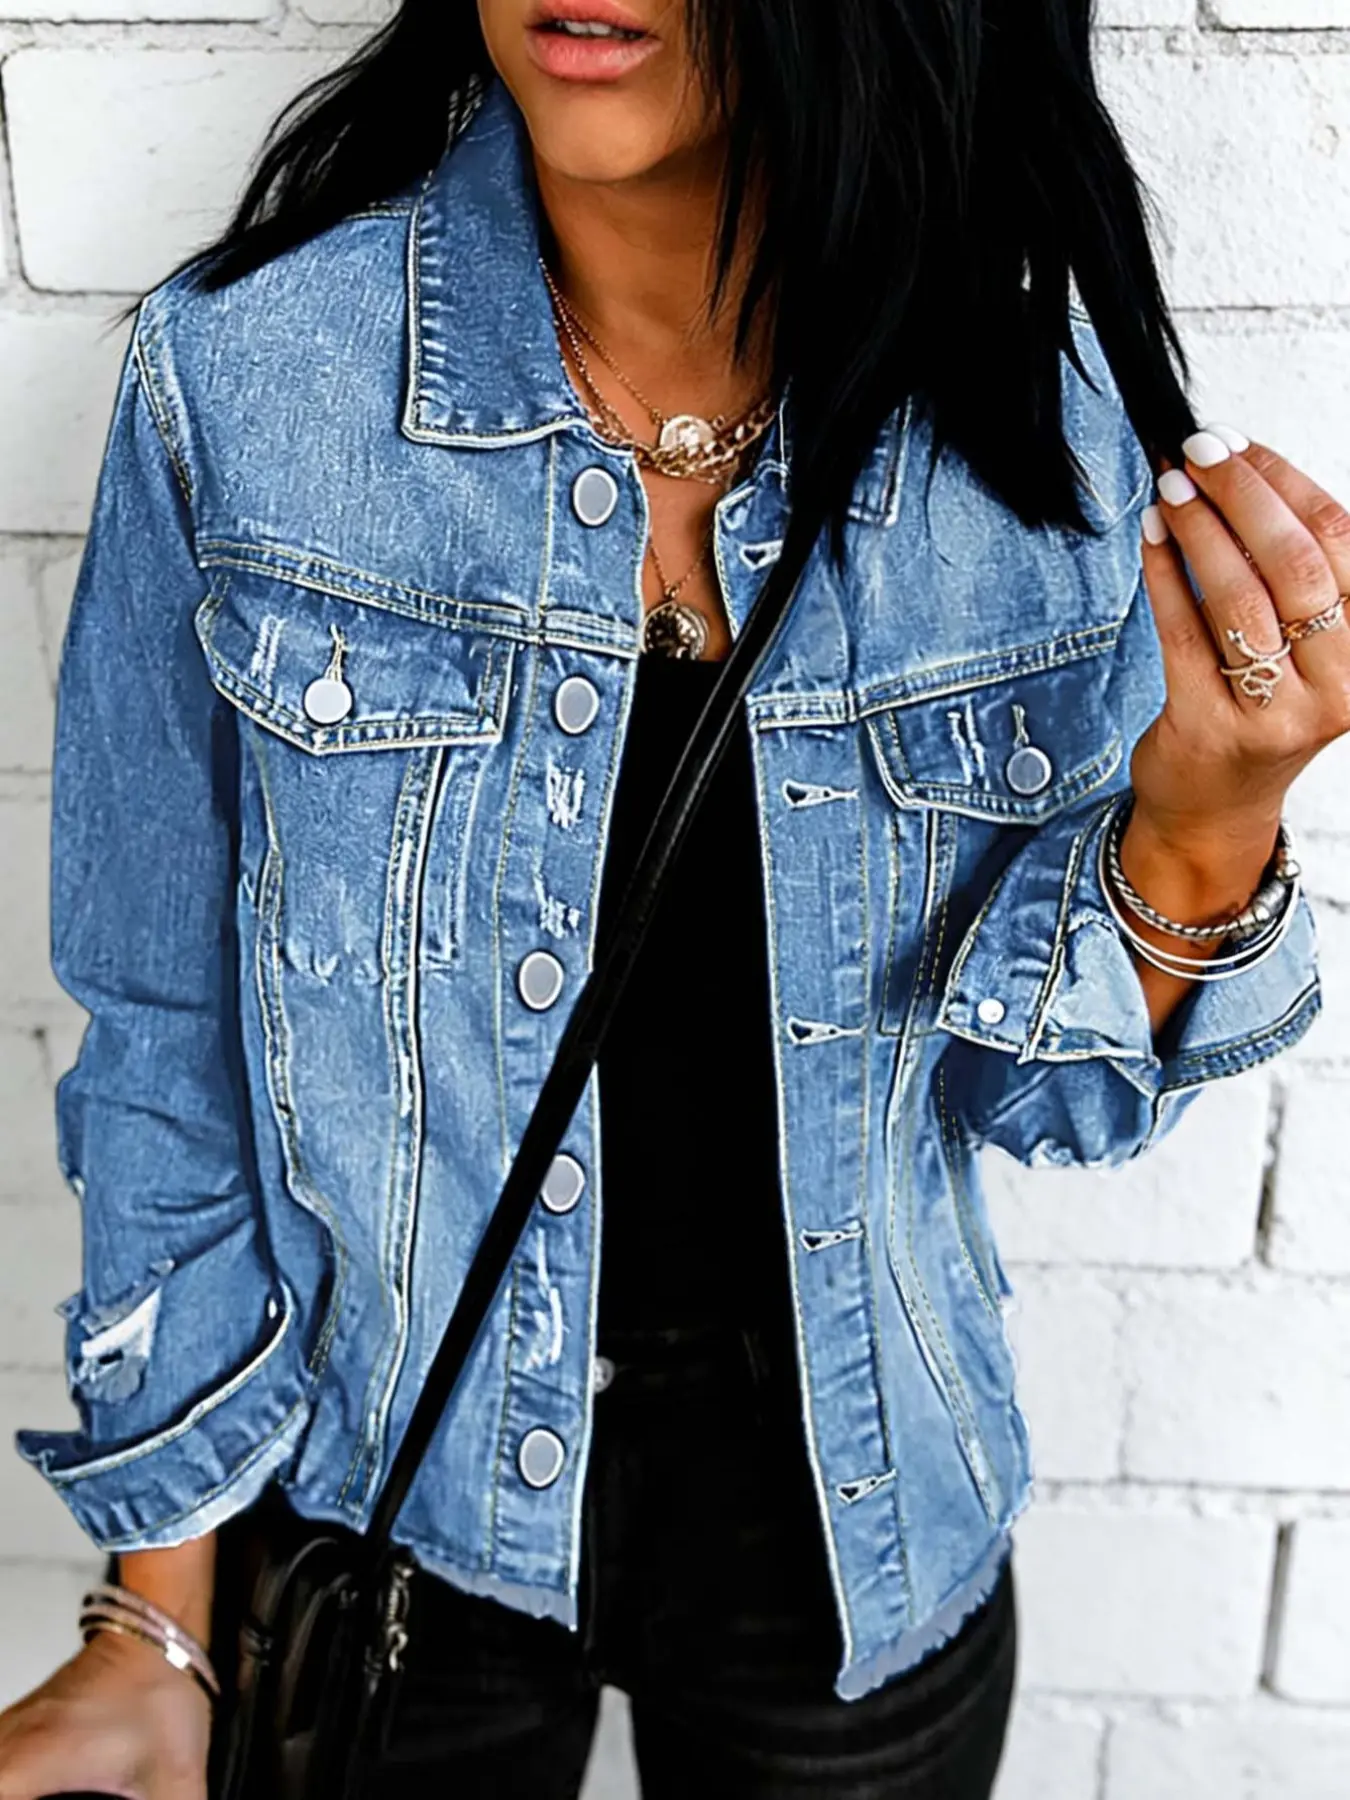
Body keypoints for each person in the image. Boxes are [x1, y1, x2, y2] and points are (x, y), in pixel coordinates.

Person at [0, 0, 1345, 1795]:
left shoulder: (1035, 445)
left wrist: (1207, 823)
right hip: (386, 1489)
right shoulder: (250, 380)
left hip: (854, 1517)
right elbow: (161, 1031)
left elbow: (1045, 1103)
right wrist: (157, 1621)